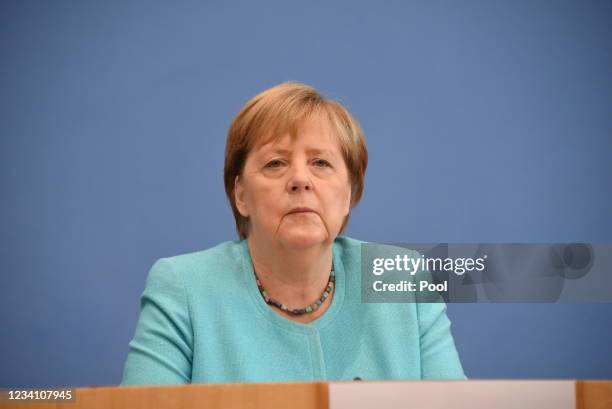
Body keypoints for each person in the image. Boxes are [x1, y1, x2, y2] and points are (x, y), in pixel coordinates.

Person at [120, 82, 465, 385]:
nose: (301, 180)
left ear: (347, 195)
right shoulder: (184, 288)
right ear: (241, 195)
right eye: (275, 163)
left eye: (321, 163)